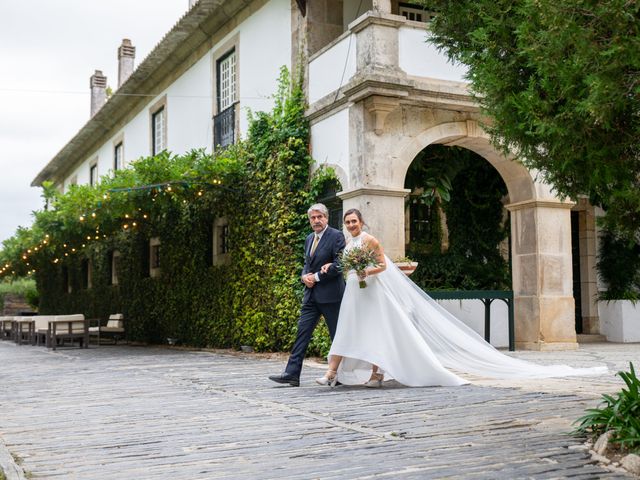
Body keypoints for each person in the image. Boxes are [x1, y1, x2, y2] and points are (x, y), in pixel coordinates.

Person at [315, 208, 607, 388]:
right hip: (355, 291)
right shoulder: (349, 242)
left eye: (354, 221)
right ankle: (334, 372)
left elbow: (382, 266)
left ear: (362, 222)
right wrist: (347, 270)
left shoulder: (369, 241)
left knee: (374, 330)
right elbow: (345, 265)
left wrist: (367, 272)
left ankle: (364, 373)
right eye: (348, 221)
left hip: (370, 290)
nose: (351, 225)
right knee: (350, 329)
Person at [269, 203, 346, 387]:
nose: (316, 220)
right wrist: (304, 276)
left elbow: (340, 263)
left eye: (320, 217)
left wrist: (317, 277)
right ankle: (292, 374)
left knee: (338, 336)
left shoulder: (336, 236)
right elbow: (307, 264)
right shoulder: (309, 238)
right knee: (302, 334)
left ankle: (342, 375)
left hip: (332, 296)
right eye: (313, 218)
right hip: (311, 296)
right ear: (310, 220)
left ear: (326, 218)